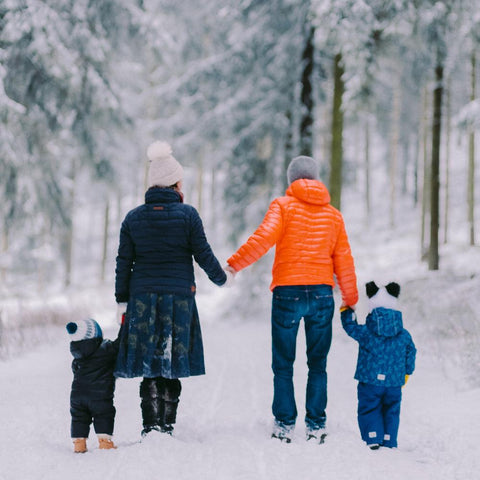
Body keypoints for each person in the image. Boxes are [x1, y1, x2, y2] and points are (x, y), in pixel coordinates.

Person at [226, 155, 358, 443]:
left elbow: (262, 238)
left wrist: (234, 264)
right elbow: (344, 260)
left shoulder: (282, 206)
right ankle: (316, 424)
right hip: (322, 294)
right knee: (318, 363)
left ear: (292, 180)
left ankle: (285, 424)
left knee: (283, 363)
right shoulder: (333, 215)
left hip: (287, 293)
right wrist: (350, 298)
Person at [114, 140, 229, 438]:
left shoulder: (133, 218)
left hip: (142, 298)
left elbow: (123, 263)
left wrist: (121, 302)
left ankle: (150, 425)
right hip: (178, 298)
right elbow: (202, 253)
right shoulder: (188, 215)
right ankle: (167, 425)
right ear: (176, 183)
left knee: (149, 363)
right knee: (171, 362)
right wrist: (222, 277)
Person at [340, 281, 416, 449]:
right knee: (392, 410)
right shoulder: (404, 334)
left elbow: (350, 327)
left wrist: (346, 311)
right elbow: (411, 352)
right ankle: (389, 439)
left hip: (370, 381)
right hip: (394, 382)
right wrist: (407, 372)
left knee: (369, 408)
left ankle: (373, 437)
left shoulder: (367, 331)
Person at [66, 318, 119, 453]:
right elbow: (119, 345)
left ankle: (79, 444)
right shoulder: (106, 350)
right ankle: (105, 442)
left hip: (77, 396)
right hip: (99, 395)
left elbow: (75, 370)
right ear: (95, 335)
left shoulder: (77, 356)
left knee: (79, 417)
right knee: (103, 414)